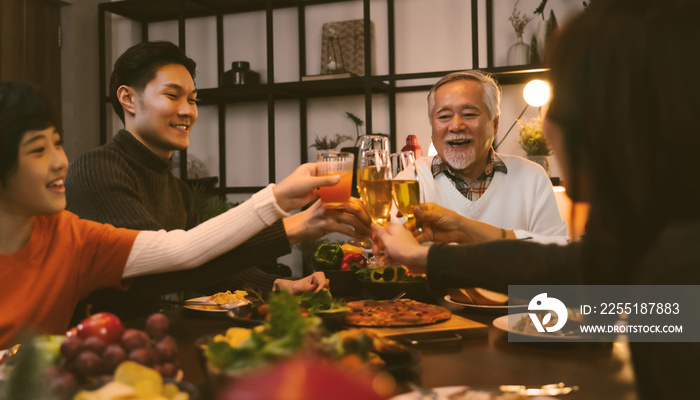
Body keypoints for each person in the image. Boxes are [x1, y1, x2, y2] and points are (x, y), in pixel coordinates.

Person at [373, 1, 700, 398]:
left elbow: (650, 315)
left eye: (563, 95)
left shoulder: (678, 264)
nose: (545, 122)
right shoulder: (660, 241)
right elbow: (585, 274)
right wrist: (439, 249)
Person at [0, 80, 351, 348]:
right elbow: (165, 276)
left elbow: (181, 251)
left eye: (57, 144)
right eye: (37, 150)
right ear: (128, 99)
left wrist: (279, 203)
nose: (60, 162)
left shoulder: (70, 236)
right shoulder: (98, 168)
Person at [64, 41, 372, 321]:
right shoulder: (97, 169)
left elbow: (206, 265)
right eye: (172, 96)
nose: (188, 111)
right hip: (89, 348)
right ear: (128, 98)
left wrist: (279, 286)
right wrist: (289, 221)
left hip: (145, 340)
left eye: (193, 99)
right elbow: (157, 272)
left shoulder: (176, 190)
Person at [401, 69, 568, 244]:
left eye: (469, 114)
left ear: (495, 124)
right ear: (432, 127)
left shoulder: (532, 177)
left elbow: (559, 250)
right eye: (444, 116)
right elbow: (387, 250)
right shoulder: (411, 179)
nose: (456, 126)